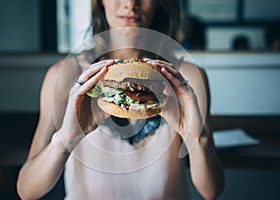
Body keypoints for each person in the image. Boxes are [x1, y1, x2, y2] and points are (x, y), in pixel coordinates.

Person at [17, 0, 224, 199]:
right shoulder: (67, 74)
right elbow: (27, 190)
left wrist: (197, 138)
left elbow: (210, 191)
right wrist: (67, 139)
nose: (130, 4)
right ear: (100, 2)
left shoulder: (186, 77)